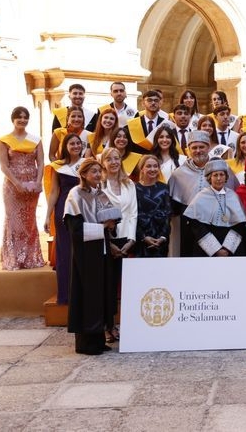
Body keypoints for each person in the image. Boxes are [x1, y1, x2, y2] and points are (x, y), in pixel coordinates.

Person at [63, 158, 119, 355]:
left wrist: (112, 224)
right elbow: (75, 230)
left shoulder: (100, 193)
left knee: (101, 293)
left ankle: (98, 337)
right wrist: (102, 226)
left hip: (102, 249)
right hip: (86, 253)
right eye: (93, 171)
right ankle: (86, 342)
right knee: (87, 294)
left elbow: (113, 218)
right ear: (84, 174)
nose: (97, 175)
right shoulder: (75, 195)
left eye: (99, 171)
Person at [168, 130, 236, 257]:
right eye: (194, 147)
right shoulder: (179, 174)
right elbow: (174, 208)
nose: (198, 151)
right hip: (189, 229)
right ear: (188, 149)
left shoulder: (222, 168)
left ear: (208, 147)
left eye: (202, 147)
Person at [0, 106, 45, 270]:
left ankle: (31, 258)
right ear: (13, 119)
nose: (22, 120)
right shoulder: (4, 140)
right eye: (19, 117)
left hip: (31, 187)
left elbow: (41, 163)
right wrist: (17, 183)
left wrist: (38, 183)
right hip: (12, 187)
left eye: (25, 117)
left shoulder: (35, 140)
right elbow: (4, 166)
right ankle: (14, 259)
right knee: (14, 221)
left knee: (29, 220)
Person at [100, 147, 137, 344]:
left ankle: (122, 324)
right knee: (108, 285)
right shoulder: (99, 185)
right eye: (110, 159)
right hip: (107, 241)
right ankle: (107, 325)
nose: (114, 162)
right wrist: (110, 243)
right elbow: (97, 216)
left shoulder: (129, 183)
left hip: (126, 240)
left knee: (125, 286)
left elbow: (133, 213)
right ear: (103, 162)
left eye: (117, 158)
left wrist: (131, 239)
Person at [43, 134, 84, 304]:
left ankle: (81, 293)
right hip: (62, 210)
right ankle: (66, 295)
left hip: (82, 209)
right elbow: (53, 192)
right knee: (65, 251)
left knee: (82, 251)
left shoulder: (87, 163)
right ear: (65, 146)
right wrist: (47, 215)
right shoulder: (58, 167)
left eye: (78, 143)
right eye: (71, 143)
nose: (75, 146)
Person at [183, 159, 246, 257]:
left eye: (222, 175)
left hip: (230, 250)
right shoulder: (201, 196)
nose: (219, 178)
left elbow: (239, 225)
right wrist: (215, 249)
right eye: (215, 175)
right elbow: (196, 225)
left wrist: (227, 248)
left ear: (226, 177)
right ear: (210, 178)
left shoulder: (233, 196)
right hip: (206, 250)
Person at [134, 154, 172, 258]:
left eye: (155, 166)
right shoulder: (134, 188)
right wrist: (143, 237)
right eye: (149, 166)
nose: (153, 169)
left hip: (161, 240)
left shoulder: (164, 188)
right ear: (142, 169)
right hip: (141, 239)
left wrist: (163, 237)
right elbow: (132, 215)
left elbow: (168, 215)